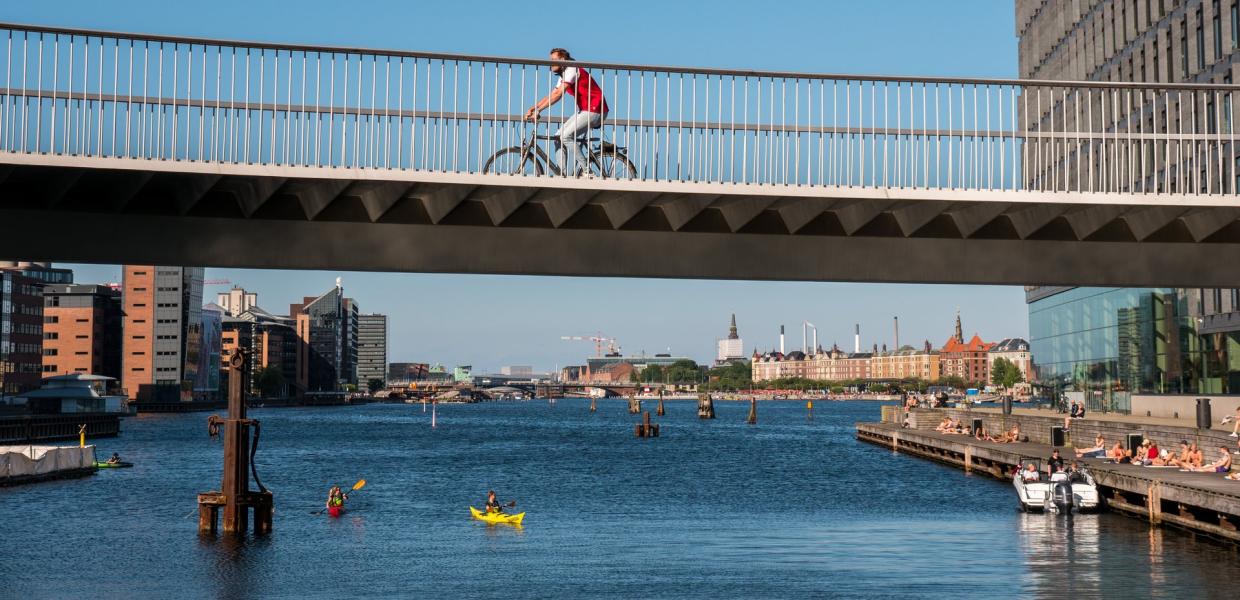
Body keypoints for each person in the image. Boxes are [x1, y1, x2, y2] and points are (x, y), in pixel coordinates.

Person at [525, 48, 609, 178]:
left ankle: (587, 170)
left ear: (562, 60)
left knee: (565, 136)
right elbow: (553, 94)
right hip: (586, 110)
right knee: (558, 137)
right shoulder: (565, 73)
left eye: (553, 60)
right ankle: (562, 174)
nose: (550, 63)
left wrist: (539, 111)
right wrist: (534, 107)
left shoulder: (572, 69)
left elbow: (559, 94)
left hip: (596, 110)